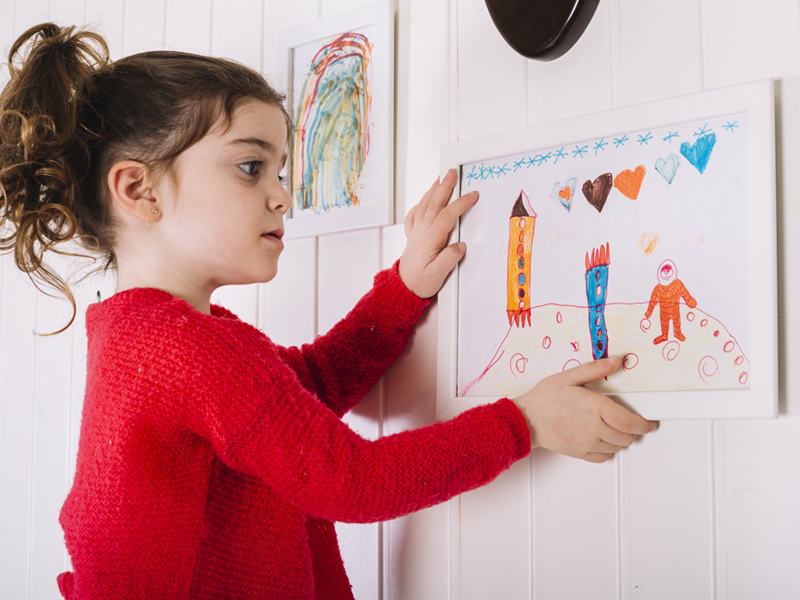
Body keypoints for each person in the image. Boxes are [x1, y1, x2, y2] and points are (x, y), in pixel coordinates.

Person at [0, 23, 657, 600]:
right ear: (139, 189)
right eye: (252, 167)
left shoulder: (151, 337)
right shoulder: (184, 350)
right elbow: (352, 482)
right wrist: (524, 423)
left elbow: (306, 386)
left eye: (281, 171)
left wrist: (403, 288)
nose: (283, 196)